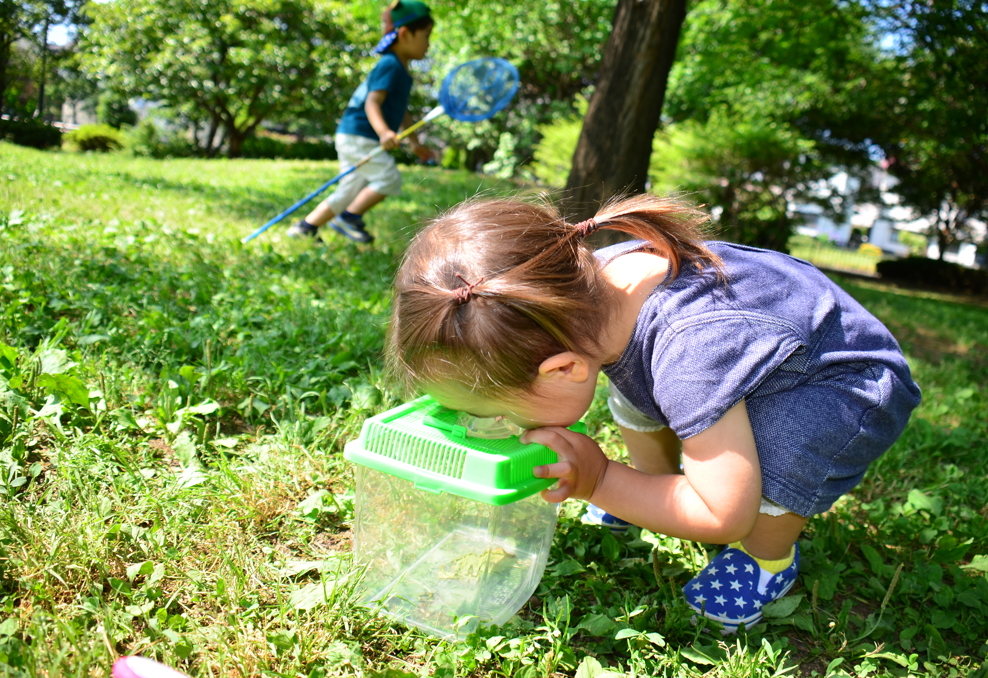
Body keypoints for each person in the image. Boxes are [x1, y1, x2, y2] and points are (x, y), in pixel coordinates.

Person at [385, 194, 921, 633]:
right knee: (635, 391)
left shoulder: (690, 355)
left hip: (841, 383)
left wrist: (600, 480)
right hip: (763, 351)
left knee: (774, 470)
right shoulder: (587, 287)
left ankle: (767, 562)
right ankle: (656, 487)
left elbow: (723, 515)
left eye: (501, 411)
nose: (508, 428)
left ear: (564, 369)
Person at [288, 0, 436, 244]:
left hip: (355, 135)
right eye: (426, 35)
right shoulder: (390, 65)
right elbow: (371, 103)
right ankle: (348, 217)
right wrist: (384, 132)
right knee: (389, 178)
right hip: (360, 135)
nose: (429, 43)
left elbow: (401, 112)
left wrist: (414, 143)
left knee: (348, 190)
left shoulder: (400, 69)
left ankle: (305, 228)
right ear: (405, 34)